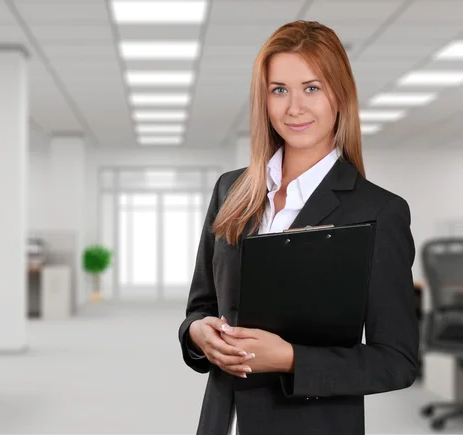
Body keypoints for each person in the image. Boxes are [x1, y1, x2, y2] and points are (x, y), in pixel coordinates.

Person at [178, 20, 419, 435]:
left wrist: (291, 359)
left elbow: (395, 361)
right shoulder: (231, 190)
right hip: (223, 422)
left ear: (339, 95)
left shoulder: (379, 210)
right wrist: (199, 334)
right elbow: (200, 308)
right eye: (279, 90)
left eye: (312, 88)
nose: (294, 108)